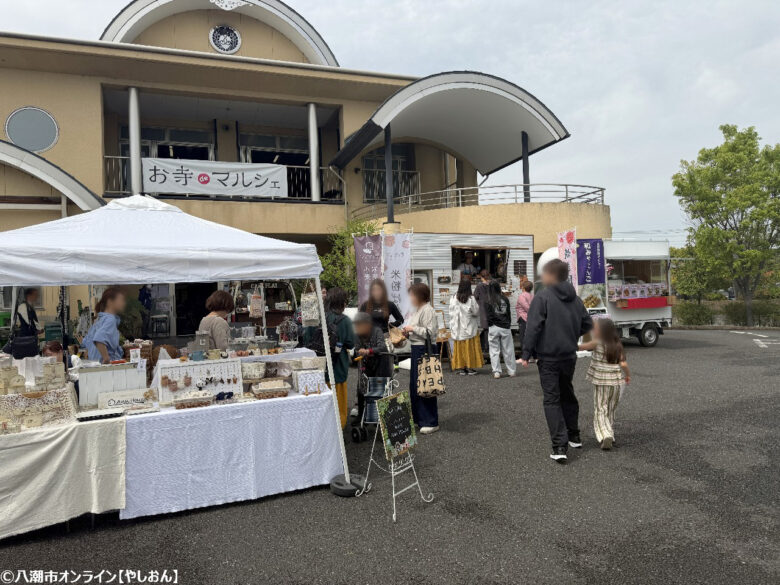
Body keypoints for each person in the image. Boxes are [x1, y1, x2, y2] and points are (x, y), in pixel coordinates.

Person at [518, 259, 593, 464]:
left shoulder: (542, 297)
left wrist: (526, 354)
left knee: (552, 399)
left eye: (544, 273)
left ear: (551, 275)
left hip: (548, 356)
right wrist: (570, 335)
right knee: (567, 393)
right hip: (569, 355)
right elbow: (587, 324)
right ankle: (574, 435)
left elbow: (533, 327)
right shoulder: (575, 299)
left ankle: (559, 445)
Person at [578, 319, 631, 450]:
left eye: (595, 329)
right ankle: (610, 434)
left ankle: (605, 435)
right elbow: (623, 364)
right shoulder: (617, 344)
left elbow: (582, 347)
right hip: (617, 383)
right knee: (610, 410)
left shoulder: (598, 342)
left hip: (602, 382)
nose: (593, 331)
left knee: (601, 409)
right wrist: (628, 375)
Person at [402, 283, 438, 434]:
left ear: (419, 296)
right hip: (417, 349)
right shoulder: (418, 310)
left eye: (411, 295)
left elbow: (431, 332)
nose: (410, 298)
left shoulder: (428, 310)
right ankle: (419, 419)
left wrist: (412, 329)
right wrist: (407, 333)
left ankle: (431, 421)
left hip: (425, 350)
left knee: (426, 385)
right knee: (416, 386)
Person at [352, 311, 393, 423]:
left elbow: (381, 347)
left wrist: (368, 351)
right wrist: (358, 352)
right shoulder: (357, 334)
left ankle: (379, 417)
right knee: (361, 389)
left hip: (380, 363)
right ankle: (361, 415)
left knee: (379, 391)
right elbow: (356, 348)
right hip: (365, 364)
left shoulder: (377, 331)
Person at [326, 287, 354, 428]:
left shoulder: (322, 317)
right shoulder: (345, 321)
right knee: (339, 403)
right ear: (342, 302)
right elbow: (351, 343)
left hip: (323, 368)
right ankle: (338, 429)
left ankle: (325, 429)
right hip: (338, 367)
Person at [82, 287, 126, 364]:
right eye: (121, 300)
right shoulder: (110, 319)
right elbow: (99, 338)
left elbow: (86, 343)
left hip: (95, 366)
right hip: (106, 368)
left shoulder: (99, 320)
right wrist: (106, 358)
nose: (123, 303)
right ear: (110, 302)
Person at [449, 279, 483, 375]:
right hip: (469, 327)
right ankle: (469, 368)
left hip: (457, 328)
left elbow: (451, 312)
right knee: (470, 348)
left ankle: (461, 368)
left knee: (460, 348)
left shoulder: (453, 297)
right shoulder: (471, 299)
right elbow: (476, 312)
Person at [486, 280, 515, 379]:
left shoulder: (488, 300)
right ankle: (511, 371)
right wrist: (508, 324)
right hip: (505, 327)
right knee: (508, 349)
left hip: (493, 327)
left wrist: (491, 324)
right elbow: (508, 314)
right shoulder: (505, 299)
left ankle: (497, 372)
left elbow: (488, 316)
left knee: (494, 350)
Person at [473, 269, 491, 353]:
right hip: (492, 307)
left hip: (483, 307)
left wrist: (479, 303)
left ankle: (486, 348)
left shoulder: (480, 285)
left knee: (486, 328)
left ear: (481, 277)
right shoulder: (493, 284)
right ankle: (490, 346)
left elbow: (475, 296)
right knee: (491, 328)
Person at [515, 280, 534, 350]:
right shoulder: (532, 296)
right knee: (530, 336)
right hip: (531, 318)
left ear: (523, 287)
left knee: (523, 336)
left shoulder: (521, 296)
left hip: (523, 318)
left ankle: (524, 354)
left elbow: (527, 307)